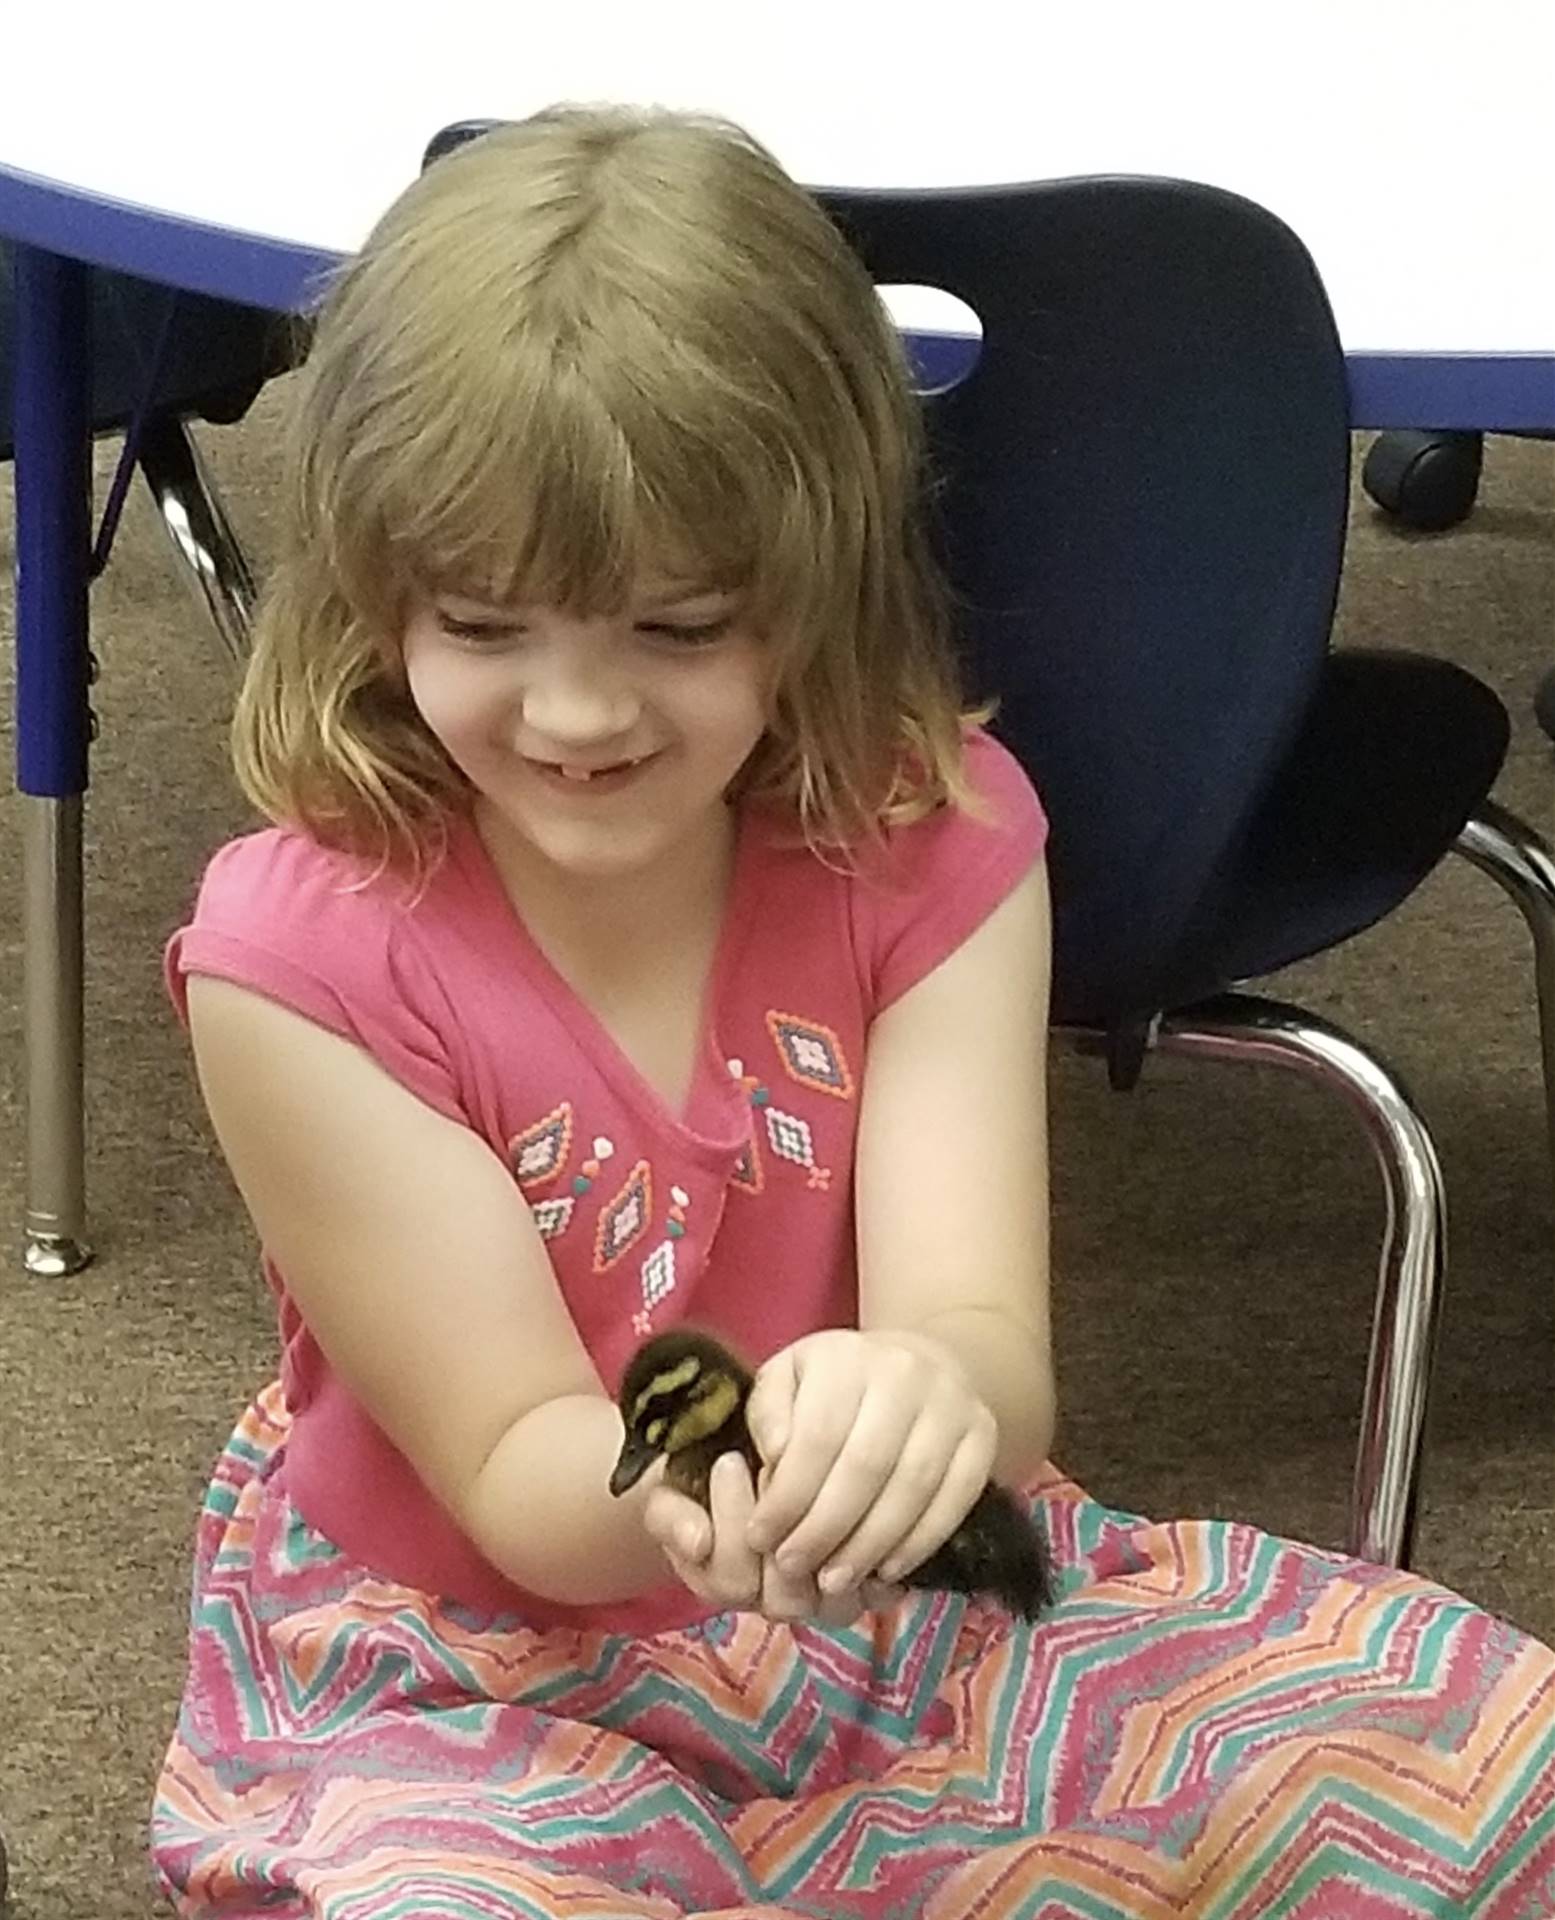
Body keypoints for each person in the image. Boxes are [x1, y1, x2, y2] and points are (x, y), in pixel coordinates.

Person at [152, 106, 1555, 1920]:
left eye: (678, 626)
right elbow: (516, 1474)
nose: (577, 714)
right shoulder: (303, 960)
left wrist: (915, 1406)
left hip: (909, 1613)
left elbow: (979, 1336)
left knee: (1495, 1758)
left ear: (812, 587)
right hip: (469, 1660)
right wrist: (725, 1475)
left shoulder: (936, 833)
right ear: (377, 590)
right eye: (484, 624)